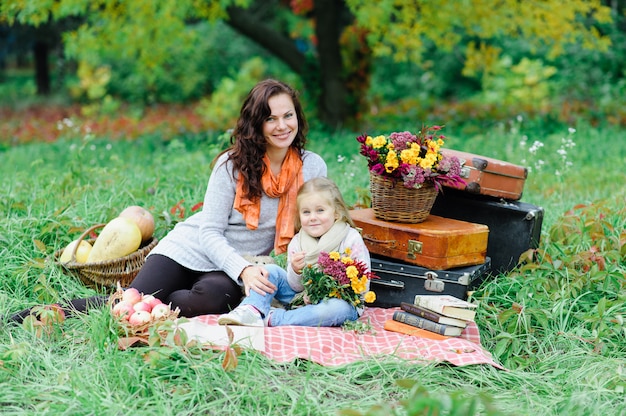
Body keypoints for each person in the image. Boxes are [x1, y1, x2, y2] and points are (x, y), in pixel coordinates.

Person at [9, 79, 327, 323]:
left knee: (210, 302)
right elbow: (209, 232)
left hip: (233, 265)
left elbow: (317, 225)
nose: (282, 125)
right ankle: (35, 316)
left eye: (289, 116)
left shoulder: (312, 166)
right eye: (271, 119)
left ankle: (161, 300)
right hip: (191, 249)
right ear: (256, 123)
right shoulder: (232, 165)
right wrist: (244, 271)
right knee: (127, 301)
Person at [217, 177, 371, 327]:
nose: (313, 217)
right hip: (300, 297)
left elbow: (363, 284)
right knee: (269, 271)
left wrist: (325, 294)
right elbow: (295, 286)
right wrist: (296, 271)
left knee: (335, 309)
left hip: (339, 300)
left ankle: (273, 318)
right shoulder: (298, 241)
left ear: (336, 212)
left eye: (320, 210)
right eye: (306, 212)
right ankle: (252, 309)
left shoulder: (350, 238)